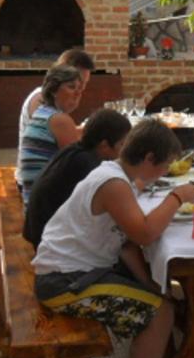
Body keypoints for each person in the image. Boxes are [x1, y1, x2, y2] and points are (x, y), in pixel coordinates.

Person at [32, 119, 194, 358]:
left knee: (159, 300)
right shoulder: (114, 184)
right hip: (64, 281)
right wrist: (177, 197)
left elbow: (126, 247)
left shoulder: (117, 175)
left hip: (75, 271)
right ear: (148, 158)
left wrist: (151, 285)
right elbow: (146, 234)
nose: (164, 174)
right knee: (159, 314)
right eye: (164, 167)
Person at [23, 108, 132, 246]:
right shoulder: (88, 164)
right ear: (104, 145)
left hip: (38, 229)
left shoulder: (76, 150)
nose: (125, 150)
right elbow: (115, 201)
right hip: (50, 240)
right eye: (122, 144)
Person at [16, 64, 84, 204]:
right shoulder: (58, 120)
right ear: (54, 90)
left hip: (35, 201)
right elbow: (78, 167)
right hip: (45, 210)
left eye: (80, 89)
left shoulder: (44, 113)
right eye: (71, 87)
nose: (77, 94)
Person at [18, 49, 95, 149]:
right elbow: (61, 142)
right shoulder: (40, 98)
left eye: (85, 83)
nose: (81, 89)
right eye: (78, 82)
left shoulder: (57, 102)